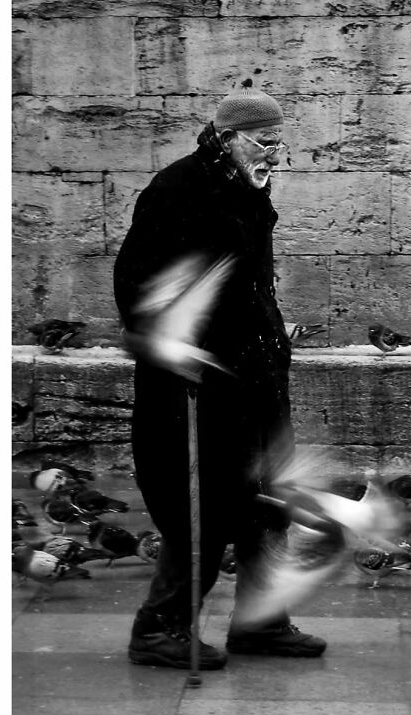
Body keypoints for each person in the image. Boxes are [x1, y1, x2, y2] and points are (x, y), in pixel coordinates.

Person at [113, 80, 327, 670]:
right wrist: (169, 345)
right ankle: (159, 631)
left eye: (278, 143)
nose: (273, 154)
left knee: (268, 499)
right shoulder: (181, 188)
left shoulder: (247, 188)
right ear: (229, 138)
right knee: (199, 503)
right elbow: (139, 278)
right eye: (262, 142)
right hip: (197, 379)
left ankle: (260, 623)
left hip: (253, 374)